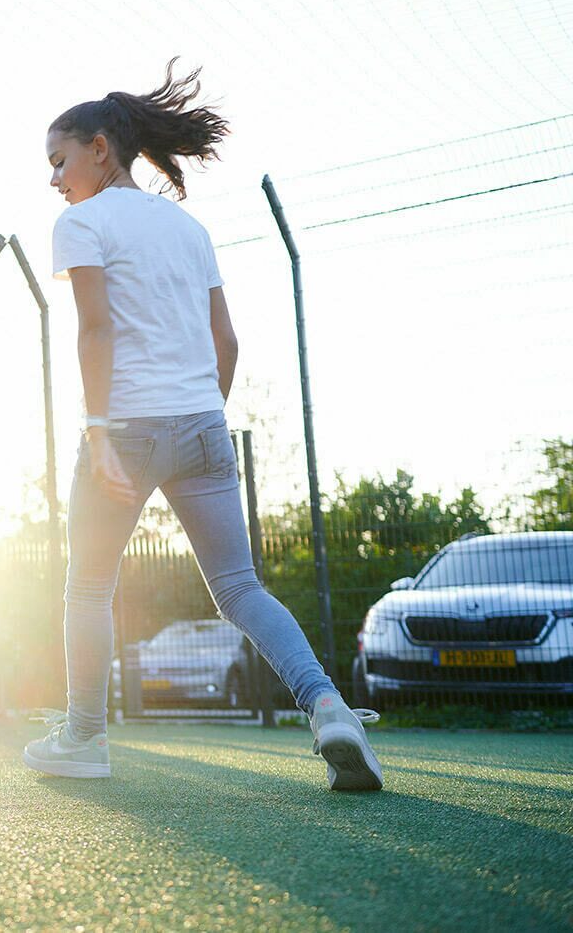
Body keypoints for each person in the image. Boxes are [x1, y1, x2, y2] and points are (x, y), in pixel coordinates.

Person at [22, 62, 382, 791]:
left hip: (124, 427)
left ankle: (84, 739)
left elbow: (96, 332)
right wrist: (203, 424)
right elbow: (228, 344)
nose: (55, 180)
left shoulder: (81, 222)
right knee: (241, 588)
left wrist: (99, 434)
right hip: (202, 425)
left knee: (88, 587)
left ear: (99, 148)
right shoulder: (187, 226)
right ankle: (328, 705)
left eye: (59, 162)